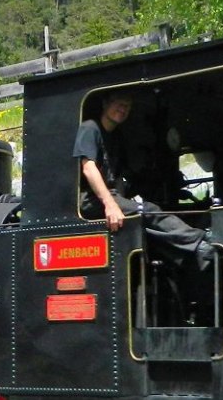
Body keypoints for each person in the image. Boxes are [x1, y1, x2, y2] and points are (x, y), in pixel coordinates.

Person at [73, 90, 211, 271]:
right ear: (105, 103)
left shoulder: (116, 137)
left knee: (148, 218)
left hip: (110, 195)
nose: (123, 109)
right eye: (119, 103)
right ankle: (200, 241)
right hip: (90, 198)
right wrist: (110, 204)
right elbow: (89, 168)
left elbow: (122, 176)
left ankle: (184, 257)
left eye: (127, 106)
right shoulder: (90, 128)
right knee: (148, 210)